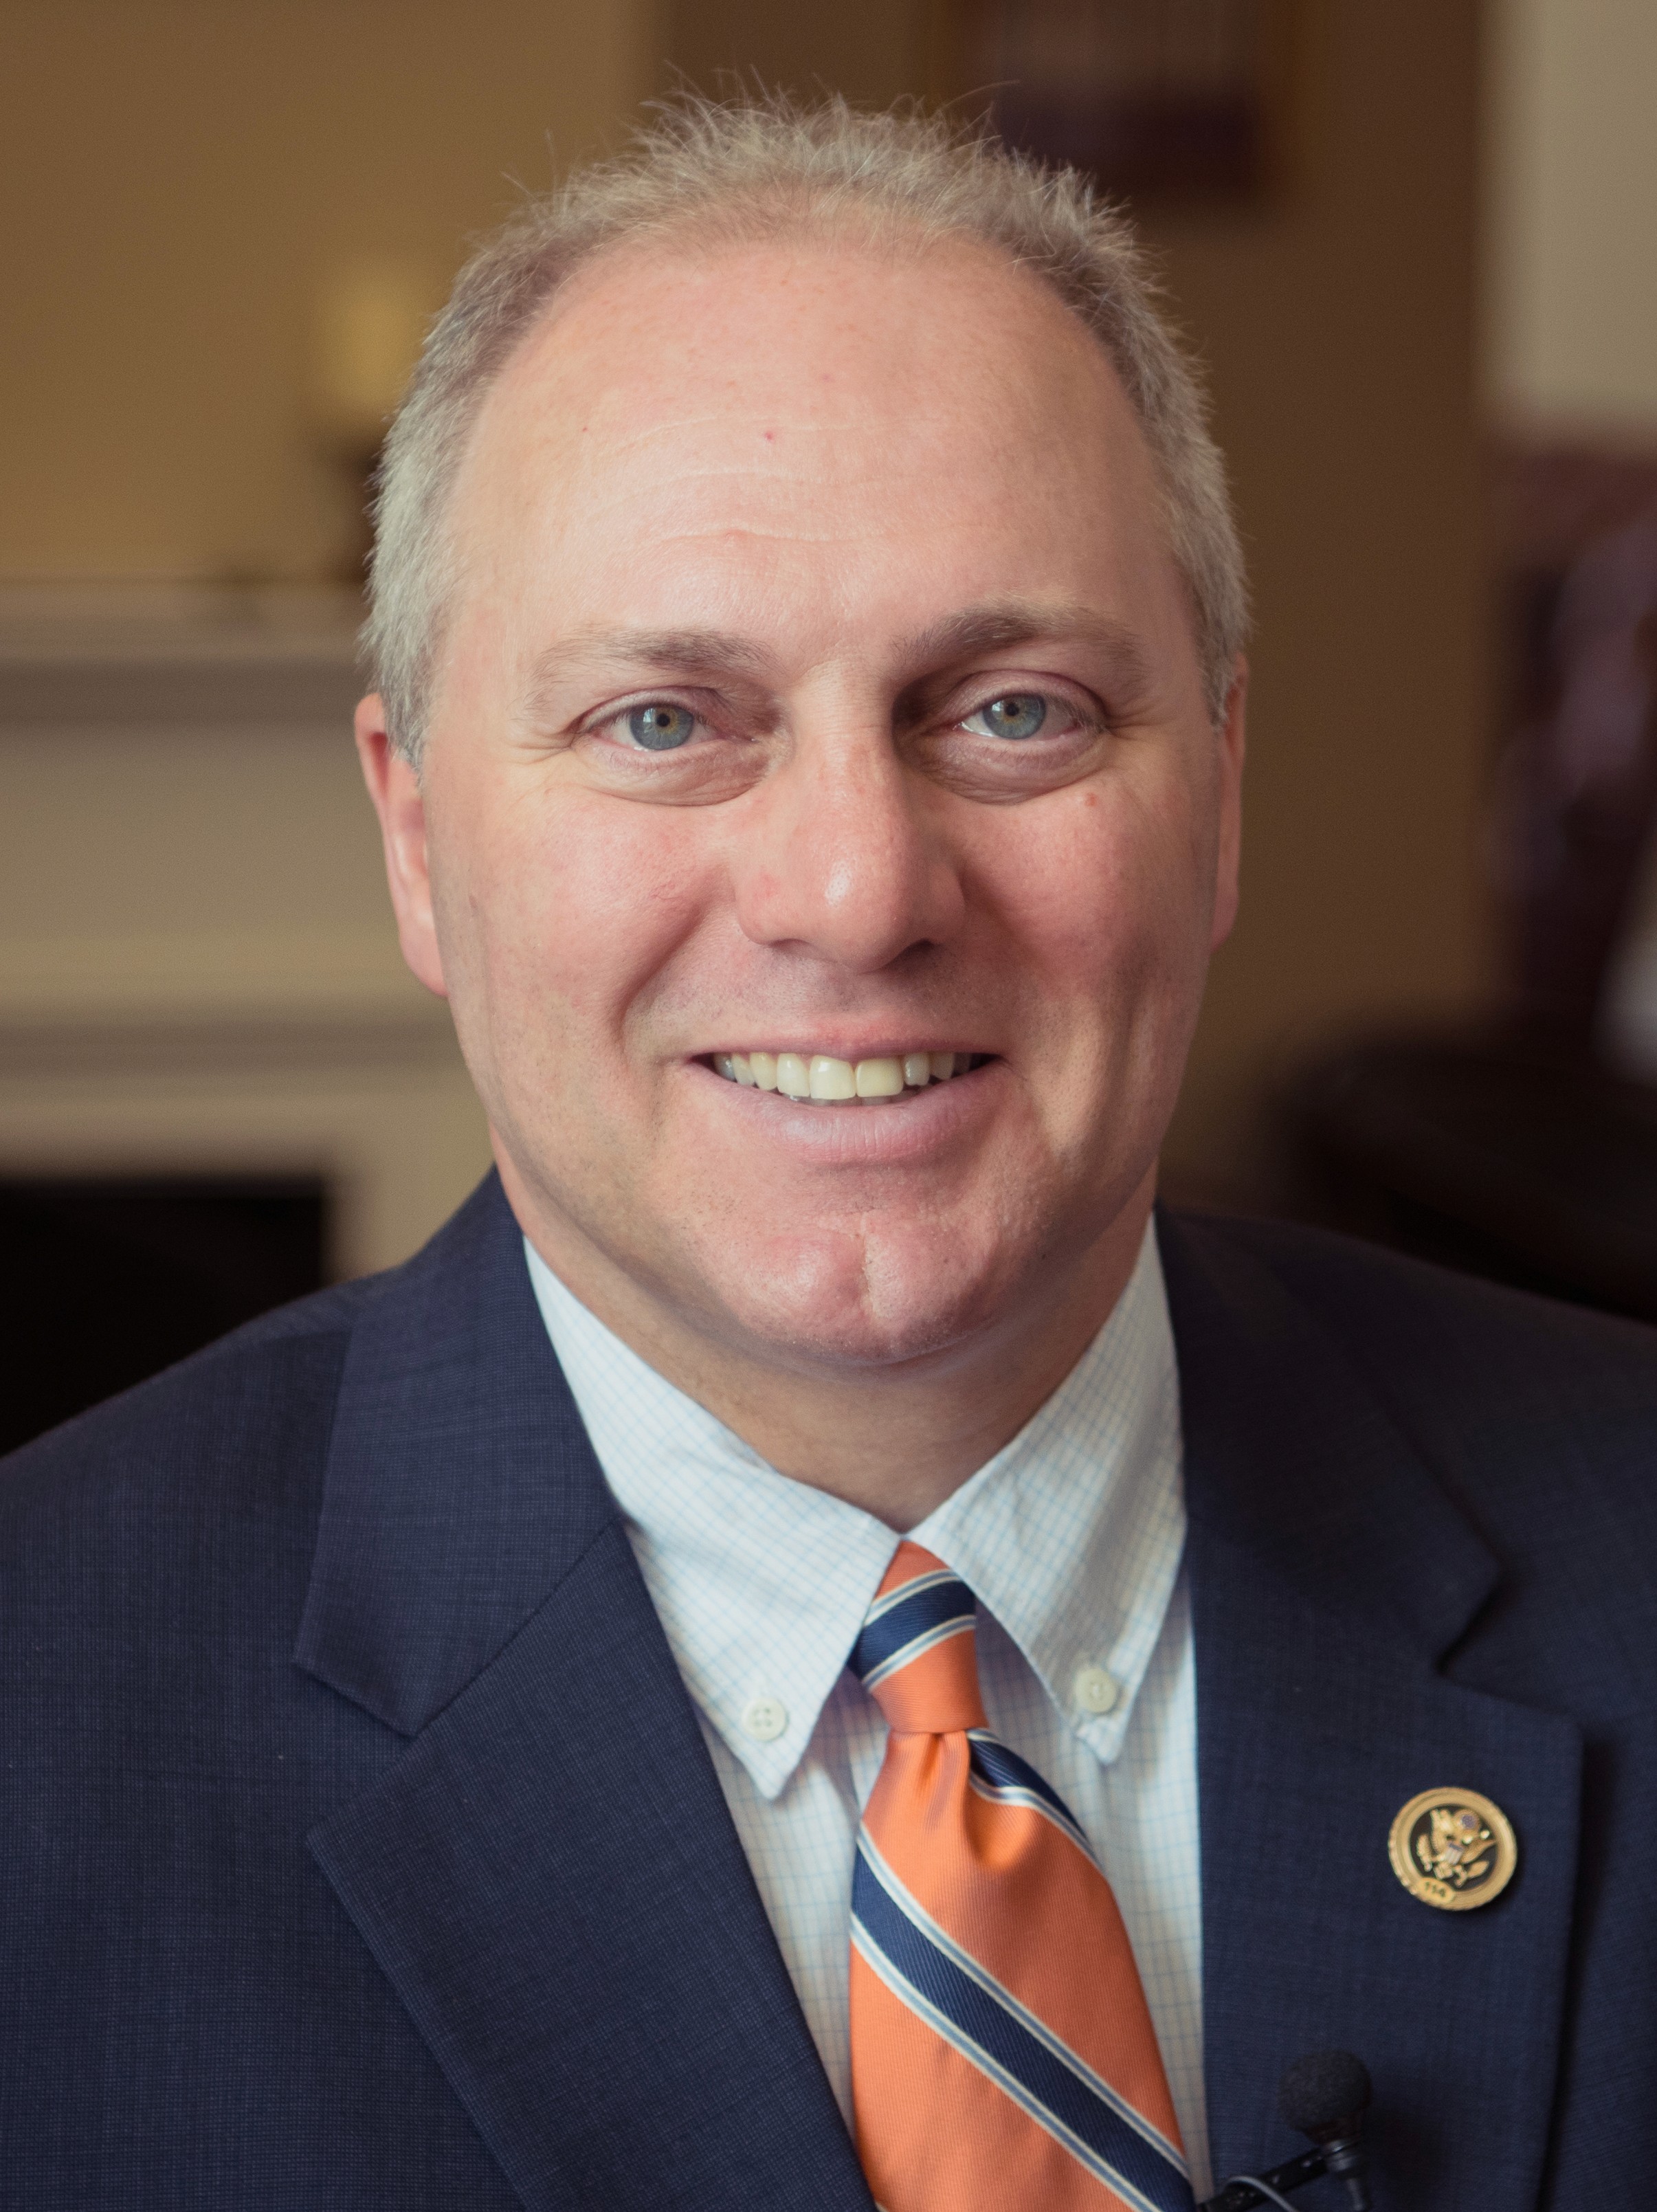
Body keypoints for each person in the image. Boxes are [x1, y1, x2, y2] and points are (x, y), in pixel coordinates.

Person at [1, 100, 1652, 2212]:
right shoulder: (39, 1721)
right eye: (665, 724)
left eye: (1015, 710)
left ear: (1218, 789)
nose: (858, 892)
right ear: (417, 838)